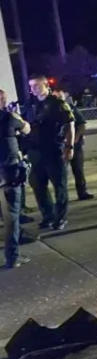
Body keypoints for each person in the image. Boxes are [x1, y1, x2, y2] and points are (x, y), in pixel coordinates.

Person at [23, 74, 74, 231]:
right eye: (31, 86)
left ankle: (60, 218)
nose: (34, 89)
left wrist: (69, 147)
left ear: (46, 85)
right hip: (35, 152)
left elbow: (70, 124)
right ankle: (48, 216)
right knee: (38, 185)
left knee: (59, 186)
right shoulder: (29, 105)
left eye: (37, 85)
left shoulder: (57, 103)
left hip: (53, 150)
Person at [0, 90, 30, 268]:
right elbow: (27, 128)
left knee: (4, 215)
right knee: (11, 217)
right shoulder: (8, 117)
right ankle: (12, 257)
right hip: (8, 174)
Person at [55, 90, 94, 201]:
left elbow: (81, 124)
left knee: (78, 170)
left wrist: (75, 139)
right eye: (56, 97)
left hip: (75, 146)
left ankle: (82, 192)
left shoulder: (70, 108)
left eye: (60, 97)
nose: (59, 99)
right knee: (62, 172)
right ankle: (62, 196)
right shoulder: (51, 110)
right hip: (60, 146)